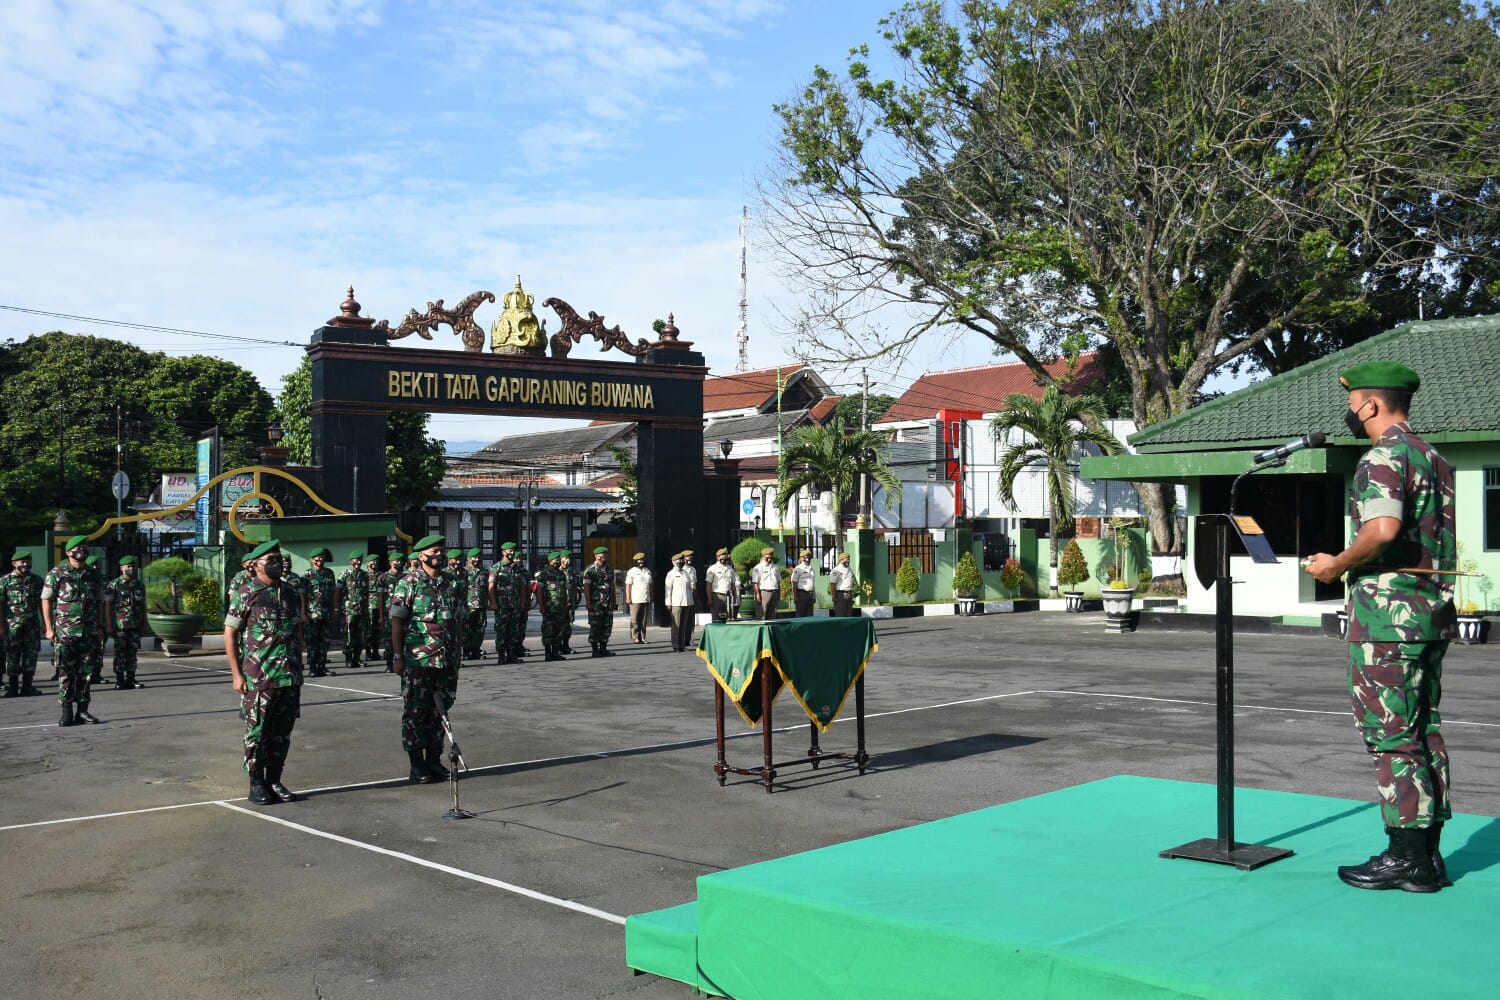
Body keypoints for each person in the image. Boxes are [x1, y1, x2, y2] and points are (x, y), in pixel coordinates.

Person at [1304, 361, 1456, 894]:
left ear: (1369, 404)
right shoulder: (1432, 457)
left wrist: (1337, 564)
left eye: (1352, 406)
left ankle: (1405, 858)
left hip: (1388, 619)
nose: (1350, 415)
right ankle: (1427, 855)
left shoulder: (1383, 455)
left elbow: (1383, 528)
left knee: (1391, 735)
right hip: (1428, 614)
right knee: (1422, 731)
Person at [224, 539, 304, 804]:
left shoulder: (292, 593)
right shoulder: (247, 593)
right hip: (259, 677)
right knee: (257, 732)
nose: (277, 563)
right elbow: (230, 633)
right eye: (270, 560)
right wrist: (237, 675)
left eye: (278, 559)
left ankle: (274, 779)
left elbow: (297, 631)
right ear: (255, 565)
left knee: (282, 732)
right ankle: (256, 783)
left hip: (288, 676)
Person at [389, 534, 462, 784]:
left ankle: (434, 759)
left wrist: (458, 655)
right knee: (415, 712)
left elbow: (457, 621)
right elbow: (397, 622)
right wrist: (397, 656)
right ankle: (417, 764)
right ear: (421, 556)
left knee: (440, 711)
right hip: (418, 660)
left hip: (446, 661)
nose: (439, 555)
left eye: (442, 551)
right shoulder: (409, 583)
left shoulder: (450, 583)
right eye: (434, 551)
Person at [42, 536, 105, 726]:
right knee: (66, 672)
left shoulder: (93, 574)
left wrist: (100, 626)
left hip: (89, 632)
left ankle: (83, 711)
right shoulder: (57, 573)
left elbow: (100, 601)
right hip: (65, 633)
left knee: (86, 673)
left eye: (84, 548)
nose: (82, 551)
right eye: (78, 548)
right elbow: (46, 599)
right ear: (69, 552)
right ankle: (67, 711)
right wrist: (48, 628)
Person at [0, 551, 44, 698]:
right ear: (14, 563)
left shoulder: (36, 580)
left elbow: (42, 604)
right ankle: (13, 687)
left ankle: (27, 686)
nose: (25, 565)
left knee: (31, 655)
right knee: (12, 655)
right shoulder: (5, 581)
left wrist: (45, 623)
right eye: (22, 562)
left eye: (28, 562)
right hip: (12, 626)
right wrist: (1, 625)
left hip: (32, 625)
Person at [103, 555, 147, 690]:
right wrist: (109, 625)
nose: (131, 569)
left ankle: (131, 679)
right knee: (120, 653)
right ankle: (120, 680)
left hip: (135, 624)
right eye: (128, 566)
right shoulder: (114, 584)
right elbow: (108, 605)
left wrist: (145, 623)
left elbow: (143, 604)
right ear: (121, 568)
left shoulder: (139, 584)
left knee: (132, 653)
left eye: (133, 566)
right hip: (119, 625)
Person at [303, 547, 338, 677]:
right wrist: (303, 612)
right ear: (312, 560)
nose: (320, 560)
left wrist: (335, 608)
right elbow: (303, 595)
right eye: (317, 558)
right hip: (312, 614)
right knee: (312, 642)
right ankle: (313, 667)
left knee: (325, 640)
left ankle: (322, 666)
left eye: (322, 557)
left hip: (327, 612)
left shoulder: (329, 573)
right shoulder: (306, 575)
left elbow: (334, 592)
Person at [488, 542, 524, 663]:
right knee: (501, 630)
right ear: (503, 552)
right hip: (502, 605)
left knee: (514, 630)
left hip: (515, 604)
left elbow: (522, 586)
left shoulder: (517, 567)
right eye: (509, 550)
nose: (512, 552)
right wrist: (493, 602)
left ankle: (511, 654)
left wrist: (523, 601)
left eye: (513, 550)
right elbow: (491, 586)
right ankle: (501, 655)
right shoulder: (496, 567)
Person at [534, 551, 572, 661]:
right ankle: (548, 653)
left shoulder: (561, 574)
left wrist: (565, 604)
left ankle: (555, 652)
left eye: (559, 560)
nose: (558, 562)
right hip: (549, 608)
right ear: (550, 561)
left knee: (558, 630)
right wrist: (541, 606)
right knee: (548, 630)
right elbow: (539, 592)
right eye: (556, 560)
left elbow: (564, 591)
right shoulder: (544, 574)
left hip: (560, 607)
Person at [581, 546, 617, 657]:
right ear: (596, 556)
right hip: (596, 603)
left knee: (607, 626)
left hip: (608, 603)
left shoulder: (609, 569)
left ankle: (603, 648)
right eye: (601, 555)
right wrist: (588, 602)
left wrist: (614, 601)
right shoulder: (590, 570)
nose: (603, 557)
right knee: (595, 626)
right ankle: (594, 650)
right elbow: (586, 586)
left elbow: (612, 585)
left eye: (605, 555)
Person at [338, 552, 369, 667]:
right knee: (349, 635)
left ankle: (357, 658)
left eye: (360, 559)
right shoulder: (344, 574)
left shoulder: (364, 575)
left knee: (361, 635)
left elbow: (366, 592)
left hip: (362, 610)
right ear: (351, 561)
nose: (358, 562)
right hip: (349, 611)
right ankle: (348, 659)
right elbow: (338, 592)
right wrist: (338, 608)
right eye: (356, 560)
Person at [381, 552, 408, 671]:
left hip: (403, 612)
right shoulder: (383, 577)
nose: (399, 563)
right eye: (396, 561)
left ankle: (403, 661)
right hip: (389, 613)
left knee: (403, 637)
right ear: (391, 562)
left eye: (401, 561)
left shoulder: (406, 577)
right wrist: (381, 615)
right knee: (388, 639)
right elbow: (380, 597)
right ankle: (389, 664)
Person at [83, 554, 106, 685]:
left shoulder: (101, 579)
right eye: (92, 564)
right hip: (85, 621)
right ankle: (87, 675)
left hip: (98, 620)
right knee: (87, 651)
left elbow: (103, 601)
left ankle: (97, 674)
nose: (95, 567)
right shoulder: (84, 578)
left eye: (97, 564)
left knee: (98, 649)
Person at [664, 553, 694, 652]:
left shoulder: (686, 573)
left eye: (682, 560)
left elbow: (689, 588)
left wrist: (691, 601)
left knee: (684, 625)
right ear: (673, 562)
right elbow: (668, 589)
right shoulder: (671, 574)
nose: (681, 562)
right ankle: (675, 645)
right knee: (676, 626)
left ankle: (682, 645)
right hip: (676, 603)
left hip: (687, 602)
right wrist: (668, 602)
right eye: (678, 560)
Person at [464, 548, 488, 660]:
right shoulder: (464, 572)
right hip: (468, 605)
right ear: (469, 559)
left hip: (481, 605)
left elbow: (488, 588)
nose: (477, 559)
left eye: (478, 557)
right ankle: (466, 650)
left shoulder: (484, 572)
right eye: (474, 557)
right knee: (467, 629)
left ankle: (476, 649)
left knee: (480, 628)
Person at [365, 553, 388, 665]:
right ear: (367, 563)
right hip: (368, 606)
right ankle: (368, 653)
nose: (374, 563)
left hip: (379, 606)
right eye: (372, 561)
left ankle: (375, 651)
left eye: (376, 561)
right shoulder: (364, 575)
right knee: (368, 631)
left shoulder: (381, 575)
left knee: (377, 631)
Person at [624, 552, 652, 644]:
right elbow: (628, 586)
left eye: (643, 560)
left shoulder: (647, 571)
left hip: (646, 598)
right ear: (636, 562)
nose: (641, 562)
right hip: (635, 599)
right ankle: (635, 637)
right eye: (639, 561)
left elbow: (650, 585)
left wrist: (651, 595)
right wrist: (628, 598)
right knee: (635, 619)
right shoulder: (632, 571)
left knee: (643, 620)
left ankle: (643, 637)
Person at [705, 547, 738, 623]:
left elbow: (733, 584)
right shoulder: (712, 568)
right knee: (716, 618)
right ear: (717, 557)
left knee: (728, 618)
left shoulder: (730, 569)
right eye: (721, 555)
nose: (723, 557)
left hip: (728, 596)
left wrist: (735, 597)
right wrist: (709, 599)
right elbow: (708, 584)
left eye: (725, 555)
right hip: (717, 596)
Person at [560, 552, 582, 655]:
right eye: (565, 557)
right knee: (560, 626)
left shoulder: (571, 570)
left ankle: (566, 645)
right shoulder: (557, 571)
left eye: (569, 557)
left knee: (568, 626)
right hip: (560, 604)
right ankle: (558, 647)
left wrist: (575, 601)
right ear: (561, 559)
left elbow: (574, 587)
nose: (567, 559)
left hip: (570, 603)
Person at [751, 547, 781, 621]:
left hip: (774, 592)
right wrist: (757, 595)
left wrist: (779, 592)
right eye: (768, 555)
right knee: (762, 614)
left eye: (771, 555)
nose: (770, 557)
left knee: (772, 615)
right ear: (763, 556)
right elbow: (755, 582)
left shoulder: (775, 567)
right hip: (764, 593)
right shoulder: (758, 567)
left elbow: (778, 581)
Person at [791, 548, 817, 617]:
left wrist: (814, 596)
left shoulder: (811, 569)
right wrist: (795, 596)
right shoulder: (798, 569)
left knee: (809, 615)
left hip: (810, 594)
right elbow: (794, 583)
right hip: (801, 594)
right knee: (800, 615)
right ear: (802, 558)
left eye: (809, 556)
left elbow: (812, 584)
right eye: (806, 556)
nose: (808, 558)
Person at [830, 552, 856, 617]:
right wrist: (834, 596)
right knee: (840, 614)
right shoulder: (836, 570)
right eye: (846, 559)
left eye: (849, 559)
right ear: (841, 560)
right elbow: (833, 584)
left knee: (849, 614)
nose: (848, 561)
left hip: (849, 594)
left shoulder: (849, 569)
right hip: (840, 594)